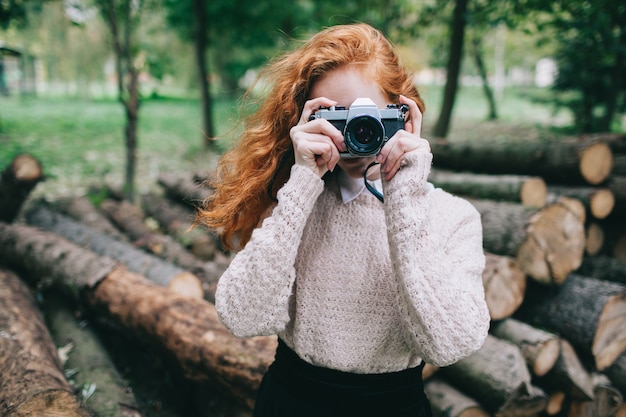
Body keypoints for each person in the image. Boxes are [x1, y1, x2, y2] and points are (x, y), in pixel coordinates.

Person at [196, 23, 490, 417]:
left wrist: (402, 194)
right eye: (337, 116)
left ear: (402, 113)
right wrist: (301, 183)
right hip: (290, 402)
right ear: (306, 120)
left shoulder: (452, 217)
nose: (355, 131)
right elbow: (243, 316)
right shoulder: (295, 202)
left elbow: (450, 344)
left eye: (366, 116)